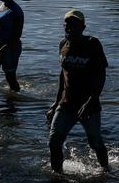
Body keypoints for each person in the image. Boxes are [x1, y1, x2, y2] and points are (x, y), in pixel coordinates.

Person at [46, 10, 109, 173]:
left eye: (73, 25)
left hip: (89, 106)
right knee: (54, 142)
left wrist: (91, 101)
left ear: (83, 27)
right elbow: (63, 76)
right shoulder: (63, 45)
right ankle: (57, 176)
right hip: (66, 104)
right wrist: (55, 103)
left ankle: (106, 171)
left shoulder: (92, 44)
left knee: (96, 143)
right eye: (66, 25)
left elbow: (101, 75)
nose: (69, 28)